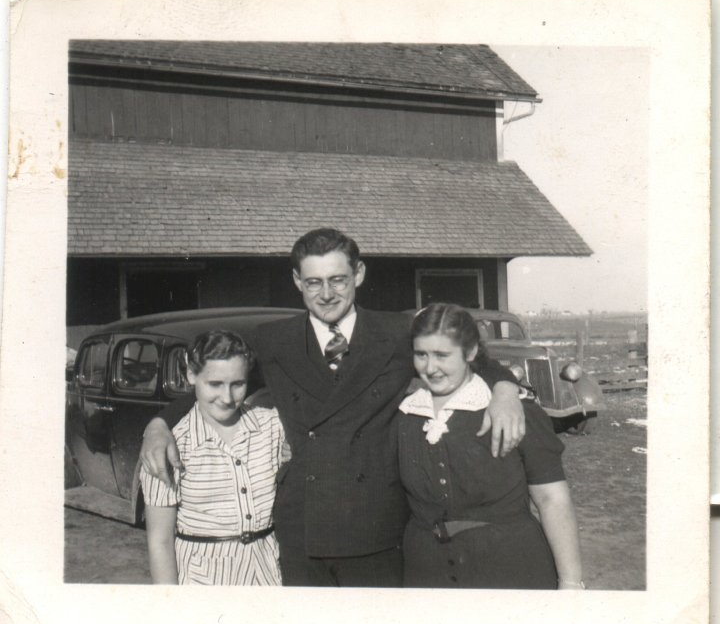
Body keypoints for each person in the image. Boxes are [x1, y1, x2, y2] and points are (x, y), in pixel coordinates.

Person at [141, 227, 525, 587]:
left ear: (358, 274)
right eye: (313, 282)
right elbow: (220, 384)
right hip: (303, 532)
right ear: (297, 282)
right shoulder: (274, 341)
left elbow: (468, 357)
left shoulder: (395, 334)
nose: (326, 294)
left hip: (377, 528)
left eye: (337, 280)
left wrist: (505, 388)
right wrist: (158, 424)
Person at [397, 303, 584, 589]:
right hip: (426, 573)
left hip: (509, 569)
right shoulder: (407, 414)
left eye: (442, 355)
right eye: (421, 355)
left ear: (470, 353)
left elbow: (552, 499)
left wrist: (571, 583)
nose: (430, 368)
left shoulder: (516, 410)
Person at [140, 330, 285, 585]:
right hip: (203, 582)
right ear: (191, 375)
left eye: (238, 384)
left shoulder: (272, 427)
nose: (227, 398)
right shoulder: (170, 447)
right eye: (215, 384)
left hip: (268, 576)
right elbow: (159, 542)